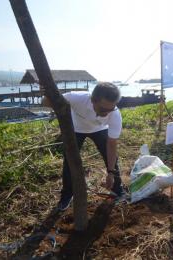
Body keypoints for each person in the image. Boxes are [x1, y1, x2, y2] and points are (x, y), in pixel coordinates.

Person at [44, 82, 124, 211]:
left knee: (112, 160)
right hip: (76, 129)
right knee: (69, 161)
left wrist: (110, 172)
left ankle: (118, 189)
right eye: (103, 109)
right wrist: (47, 94)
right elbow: (47, 102)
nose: (107, 113)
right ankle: (67, 195)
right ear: (93, 100)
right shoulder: (77, 98)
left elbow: (112, 145)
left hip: (100, 129)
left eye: (111, 108)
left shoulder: (114, 114)